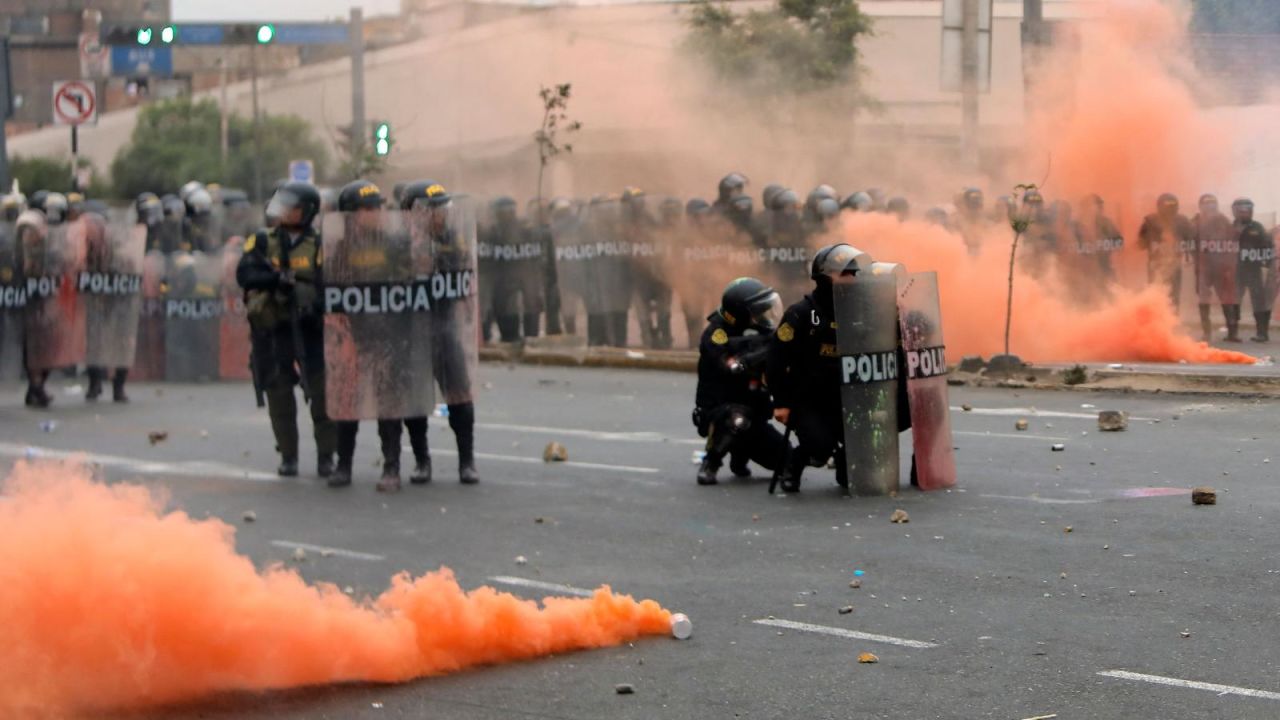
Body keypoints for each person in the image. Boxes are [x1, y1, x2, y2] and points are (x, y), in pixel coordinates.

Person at [325, 180, 428, 491]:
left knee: (389, 403)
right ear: (351, 215)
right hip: (353, 335)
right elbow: (329, 289)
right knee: (347, 402)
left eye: (377, 208)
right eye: (367, 209)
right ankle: (343, 465)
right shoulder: (339, 249)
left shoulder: (394, 243)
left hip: (388, 334)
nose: (375, 214)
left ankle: (391, 467)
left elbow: (410, 283)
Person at [236, 181, 336, 478]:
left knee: (322, 395)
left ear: (307, 212)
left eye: (291, 207)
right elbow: (246, 274)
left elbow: (331, 283)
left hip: (311, 330)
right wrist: (277, 281)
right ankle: (288, 456)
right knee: (278, 394)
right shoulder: (262, 241)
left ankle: (326, 457)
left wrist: (311, 301)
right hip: (274, 329)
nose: (284, 212)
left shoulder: (321, 244)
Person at [766, 244, 871, 491]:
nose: (852, 280)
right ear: (824, 276)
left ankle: (847, 465)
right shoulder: (801, 314)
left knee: (860, 447)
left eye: (854, 274)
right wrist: (780, 402)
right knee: (818, 446)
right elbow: (776, 360)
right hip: (809, 398)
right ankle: (796, 462)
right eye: (845, 274)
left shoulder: (862, 311)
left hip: (848, 395)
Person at [402, 180, 480, 484]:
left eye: (442, 209)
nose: (440, 216)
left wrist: (438, 260)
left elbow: (463, 270)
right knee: (415, 400)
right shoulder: (397, 242)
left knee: (459, 395)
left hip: (445, 327)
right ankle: (422, 461)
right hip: (411, 330)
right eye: (433, 210)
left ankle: (467, 461)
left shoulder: (453, 238)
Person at [693, 277, 788, 485]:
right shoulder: (715, 335)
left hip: (755, 414)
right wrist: (763, 353)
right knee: (737, 417)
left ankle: (740, 456)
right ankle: (711, 462)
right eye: (758, 310)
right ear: (740, 313)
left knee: (787, 461)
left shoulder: (762, 331)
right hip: (720, 409)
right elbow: (733, 366)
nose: (764, 315)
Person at [1137, 193, 1196, 312]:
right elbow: (1141, 244)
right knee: (1156, 296)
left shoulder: (1182, 221)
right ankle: (1157, 323)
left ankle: (1171, 323)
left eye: (1172, 206)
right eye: (1167, 206)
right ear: (1159, 206)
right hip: (1156, 265)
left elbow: (1191, 241)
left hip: (1175, 265)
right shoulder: (1150, 221)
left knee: (1174, 297)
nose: (1169, 209)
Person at [1192, 194, 1238, 342]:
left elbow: (1233, 240)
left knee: (1226, 299)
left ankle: (1232, 332)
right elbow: (1188, 239)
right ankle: (1207, 332)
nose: (1209, 207)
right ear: (1200, 206)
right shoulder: (1195, 221)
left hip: (1221, 267)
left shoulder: (1223, 220)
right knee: (1204, 299)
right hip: (1203, 267)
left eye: (1212, 203)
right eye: (1206, 204)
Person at [1232, 197, 1273, 343]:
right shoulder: (1229, 227)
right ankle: (1233, 332)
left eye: (1247, 210)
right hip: (1236, 271)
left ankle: (1262, 333)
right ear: (1235, 211)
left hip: (1253, 270)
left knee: (1258, 301)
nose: (1244, 213)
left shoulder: (1258, 228)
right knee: (1234, 301)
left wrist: (1267, 262)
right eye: (1241, 211)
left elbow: (1268, 247)